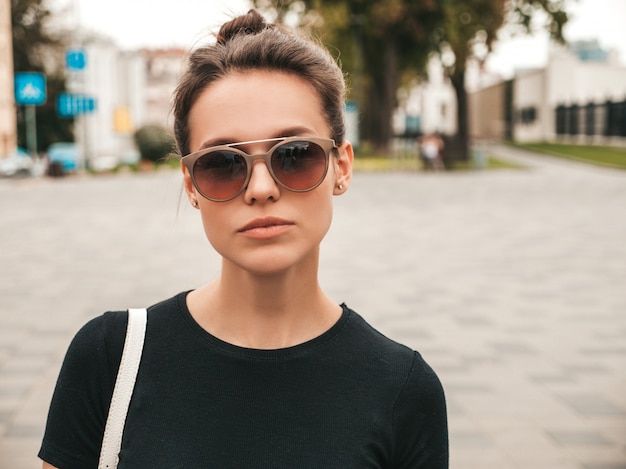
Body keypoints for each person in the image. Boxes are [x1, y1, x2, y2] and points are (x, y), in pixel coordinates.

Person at [39, 9, 448, 468]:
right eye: (223, 163)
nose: (261, 188)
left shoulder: (402, 389)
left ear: (342, 166)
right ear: (191, 184)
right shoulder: (110, 359)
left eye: (294, 155)